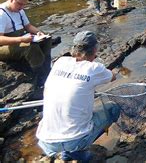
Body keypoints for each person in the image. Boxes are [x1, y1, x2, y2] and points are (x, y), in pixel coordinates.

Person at [36, 31, 120, 162]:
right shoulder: (94, 68)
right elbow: (113, 77)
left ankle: (66, 153)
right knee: (113, 108)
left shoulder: (60, 62)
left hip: (46, 141)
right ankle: (78, 152)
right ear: (94, 50)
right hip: (73, 141)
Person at [0, 0, 52, 87]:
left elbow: (28, 26)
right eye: (19, 4)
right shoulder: (1, 14)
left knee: (47, 40)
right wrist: (20, 40)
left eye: (24, 5)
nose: (21, 7)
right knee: (30, 47)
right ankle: (39, 78)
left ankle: (46, 71)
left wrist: (39, 33)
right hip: (4, 46)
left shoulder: (20, 11)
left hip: (19, 39)